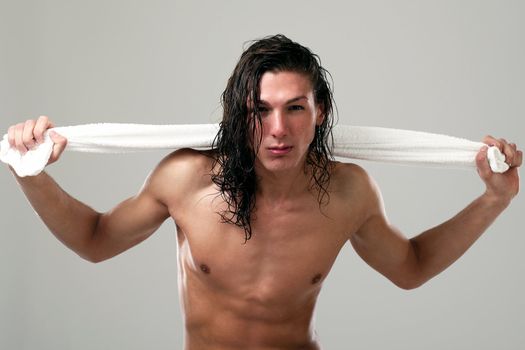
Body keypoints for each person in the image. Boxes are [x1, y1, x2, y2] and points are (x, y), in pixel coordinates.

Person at [6, 35, 522, 349]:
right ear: (238, 116)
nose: (278, 129)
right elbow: (96, 241)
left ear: (319, 115)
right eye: (260, 110)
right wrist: (30, 173)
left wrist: (494, 198)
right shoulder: (186, 179)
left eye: (295, 108)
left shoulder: (349, 192)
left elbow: (410, 267)